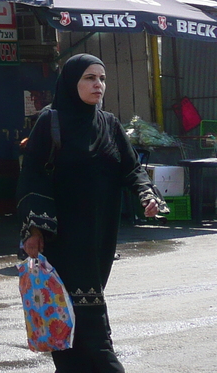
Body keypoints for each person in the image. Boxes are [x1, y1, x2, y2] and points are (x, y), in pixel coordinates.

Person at [16, 54, 165, 372]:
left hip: (100, 239)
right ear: (72, 82)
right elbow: (33, 176)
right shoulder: (50, 121)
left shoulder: (109, 124)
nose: (98, 85)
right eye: (89, 78)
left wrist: (146, 196)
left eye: (102, 78)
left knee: (69, 331)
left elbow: (132, 169)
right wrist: (35, 230)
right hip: (63, 241)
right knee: (94, 332)